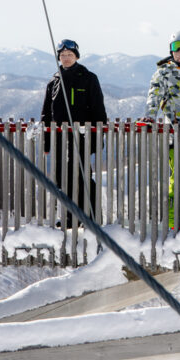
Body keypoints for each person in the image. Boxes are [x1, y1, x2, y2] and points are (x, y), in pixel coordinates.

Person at [41, 39, 107, 228]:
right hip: (60, 137)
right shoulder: (54, 81)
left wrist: (96, 137)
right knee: (63, 177)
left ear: (76, 56)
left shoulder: (88, 78)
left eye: (70, 55)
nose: (66, 58)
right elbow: (46, 112)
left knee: (82, 175)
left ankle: (91, 216)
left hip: (83, 136)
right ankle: (71, 217)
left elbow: (98, 109)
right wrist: (46, 142)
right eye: (62, 56)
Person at [145, 30, 180, 227]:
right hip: (175, 134)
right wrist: (150, 117)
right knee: (177, 181)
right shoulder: (164, 71)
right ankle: (173, 221)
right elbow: (154, 96)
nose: (179, 52)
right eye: (175, 48)